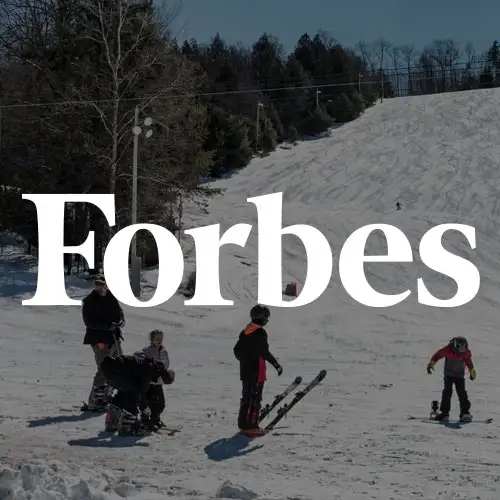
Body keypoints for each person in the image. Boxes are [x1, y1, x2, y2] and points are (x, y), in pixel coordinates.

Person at [233, 304, 283, 437]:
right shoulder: (260, 333)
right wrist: (276, 364)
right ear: (261, 318)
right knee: (255, 398)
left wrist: (245, 360)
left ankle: (243, 424)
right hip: (256, 371)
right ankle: (251, 426)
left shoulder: (245, 331)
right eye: (266, 318)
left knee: (246, 397)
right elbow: (264, 352)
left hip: (245, 371)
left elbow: (236, 351)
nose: (267, 320)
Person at [100, 353, 175, 436]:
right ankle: (127, 426)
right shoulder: (150, 370)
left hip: (110, 367)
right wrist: (144, 409)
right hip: (114, 368)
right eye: (163, 382)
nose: (160, 383)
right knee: (133, 392)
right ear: (162, 377)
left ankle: (112, 421)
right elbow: (141, 391)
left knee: (126, 391)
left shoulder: (153, 368)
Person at [82, 275, 125, 411]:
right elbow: (89, 322)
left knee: (119, 365)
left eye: (102, 284)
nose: (100, 287)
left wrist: (121, 321)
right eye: (97, 284)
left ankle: (108, 395)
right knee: (104, 367)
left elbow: (119, 312)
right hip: (99, 339)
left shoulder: (111, 297)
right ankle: (95, 400)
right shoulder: (90, 301)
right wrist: (107, 326)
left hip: (113, 338)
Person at [427, 336, 476, 422]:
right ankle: (445, 413)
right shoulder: (447, 350)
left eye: (463, 351)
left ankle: (465, 413)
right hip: (449, 375)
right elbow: (438, 355)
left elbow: (468, 360)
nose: (461, 353)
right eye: (459, 351)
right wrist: (432, 363)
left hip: (459, 376)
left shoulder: (466, 353)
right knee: (447, 393)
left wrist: (472, 370)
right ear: (455, 347)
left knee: (462, 393)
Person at [134, 329, 171, 430]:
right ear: (152, 339)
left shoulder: (164, 351)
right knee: (147, 399)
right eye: (157, 339)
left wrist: (163, 375)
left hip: (159, 380)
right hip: (148, 380)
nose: (159, 341)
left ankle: (156, 418)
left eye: (161, 339)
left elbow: (166, 364)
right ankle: (145, 418)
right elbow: (140, 361)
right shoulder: (147, 350)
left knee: (159, 401)